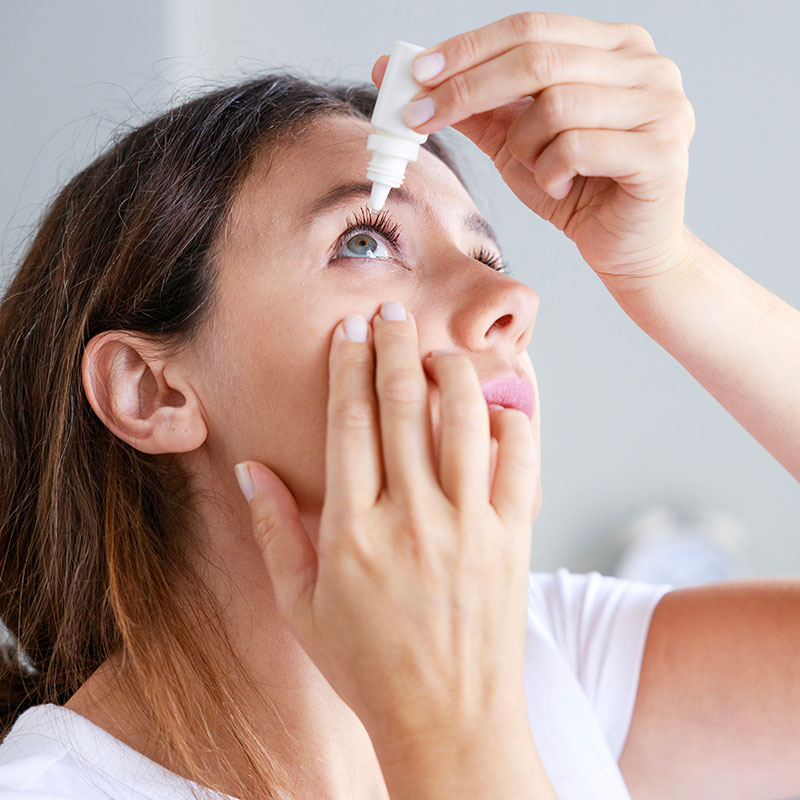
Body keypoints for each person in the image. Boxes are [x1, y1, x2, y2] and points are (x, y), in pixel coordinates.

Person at [0, 10, 797, 800]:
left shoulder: (543, 659)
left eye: (486, 252)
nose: (510, 296)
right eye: (365, 240)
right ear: (153, 389)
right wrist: (446, 726)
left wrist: (667, 272)